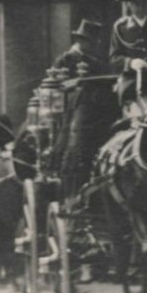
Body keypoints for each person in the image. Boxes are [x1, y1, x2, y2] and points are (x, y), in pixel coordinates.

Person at [54, 19, 116, 200]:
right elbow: (57, 88)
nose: (95, 45)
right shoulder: (65, 60)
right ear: (82, 41)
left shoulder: (95, 62)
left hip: (96, 109)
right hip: (74, 111)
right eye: (92, 41)